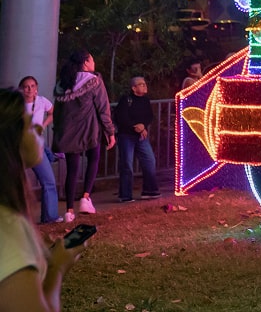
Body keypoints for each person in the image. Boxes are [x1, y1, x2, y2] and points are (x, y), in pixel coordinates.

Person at [0, 87, 89, 312]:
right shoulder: (7, 229)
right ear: (10, 140)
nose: (39, 126)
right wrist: (57, 268)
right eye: (29, 124)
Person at [52, 52, 115, 223]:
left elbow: (57, 112)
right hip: (89, 130)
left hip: (69, 131)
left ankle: (69, 211)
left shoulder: (63, 83)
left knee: (72, 170)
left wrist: (57, 131)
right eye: (92, 59)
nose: (94, 62)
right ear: (86, 63)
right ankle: (86, 198)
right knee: (93, 159)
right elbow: (103, 108)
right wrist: (110, 131)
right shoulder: (94, 80)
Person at [17, 77, 60, 224]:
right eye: (26, 87)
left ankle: (50, 217)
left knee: (48, 181)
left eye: (32, 86)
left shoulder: (42, 101)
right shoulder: (16, 104)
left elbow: (52, 112)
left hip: (36, 146)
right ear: (21, 89)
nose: (29, 89)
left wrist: (43, 124)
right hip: (19, 147)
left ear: (36, 88)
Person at [114, 76, 161, 203]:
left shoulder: (145, 100)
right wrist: (136, 126)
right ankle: (125, 195)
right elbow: (121, 117)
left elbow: (149, 116)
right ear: (134, 88)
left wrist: (143, 126)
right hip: (127, 136)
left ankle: (150, 190)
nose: (144, 86)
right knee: (127, 165)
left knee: (149, 160)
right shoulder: (126, 100)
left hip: (141, 136)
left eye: (144, 84)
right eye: (141, 84)